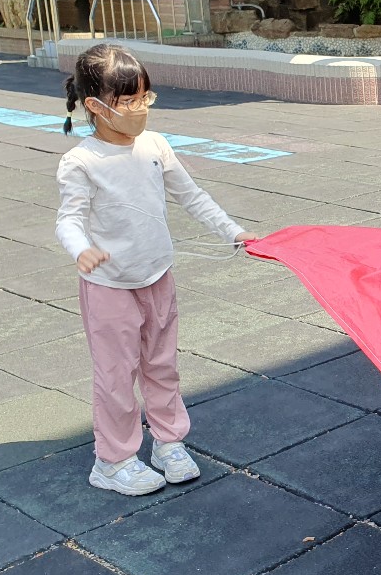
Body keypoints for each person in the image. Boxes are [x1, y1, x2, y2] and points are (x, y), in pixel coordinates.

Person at [55, 44, 257, 496]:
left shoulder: (154, 146)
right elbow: (68, 219)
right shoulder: (81, 161)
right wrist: (81, 249)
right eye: (128, 101)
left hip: (157, 276)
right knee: (115, 375)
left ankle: (169, 442)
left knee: (162, 366)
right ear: (96, 106)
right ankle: (113, 460)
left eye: (145, 97)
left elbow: (192, 196)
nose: (140, 108)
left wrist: (233, 232)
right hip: (109, 286)